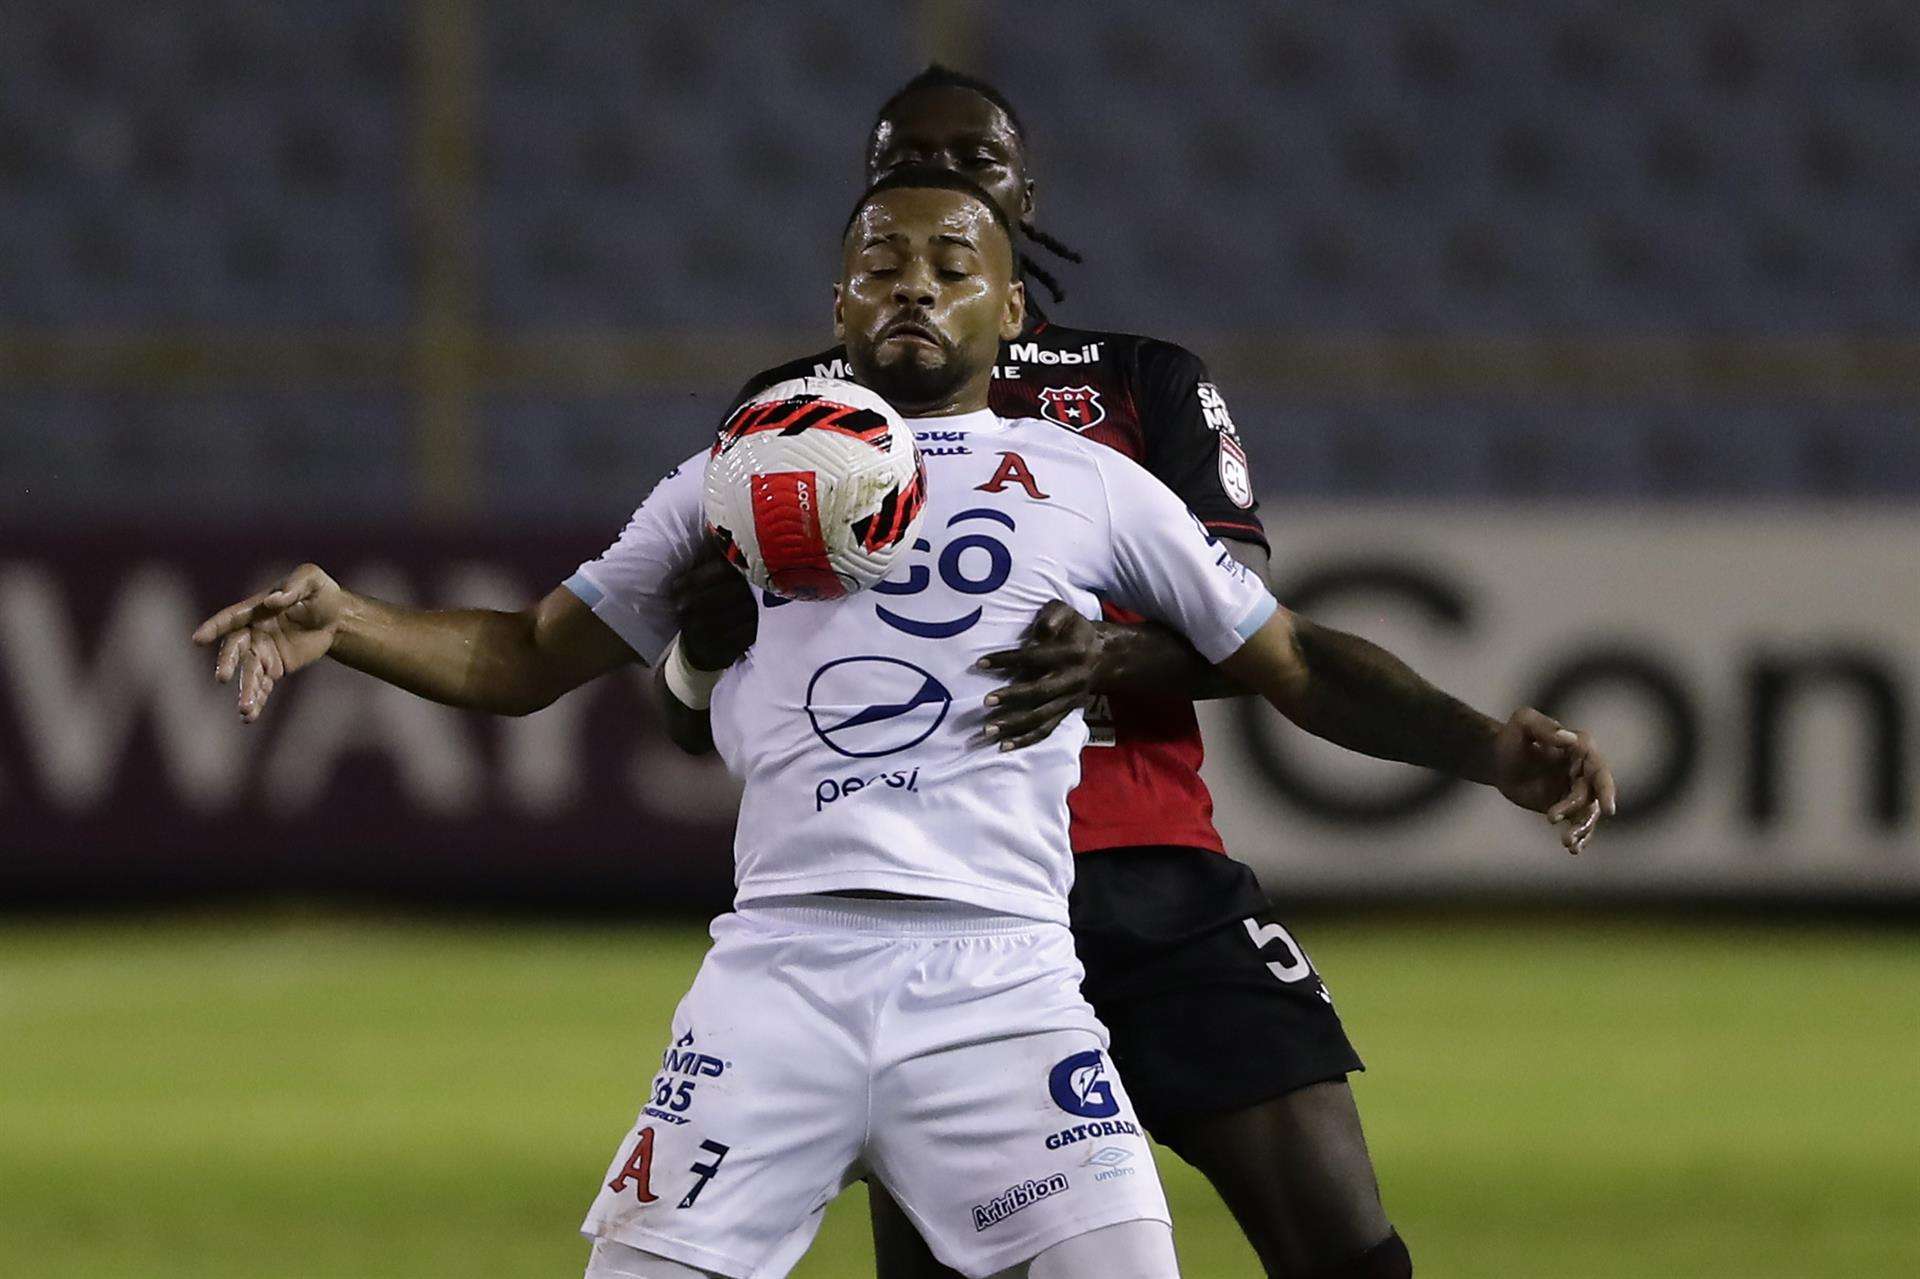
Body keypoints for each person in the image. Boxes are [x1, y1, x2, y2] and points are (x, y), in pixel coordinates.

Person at [194, 172, 1609, 1278]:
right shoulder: (733, 475)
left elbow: (1291, 660)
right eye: (882, 264)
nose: (913, 286)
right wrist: (354, 622)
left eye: (950, 266)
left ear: (1010, 312)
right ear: (840, 301)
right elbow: (523, 656)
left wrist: (1486, 744)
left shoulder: (1092, 483)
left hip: (1003, 983)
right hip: (776, 976)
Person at [659, 67, 1613, 1279]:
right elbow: (702, 695)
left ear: (1023, 209)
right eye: (913, 163)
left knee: (1346, 1245)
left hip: (1145, 867)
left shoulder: (1139, 383)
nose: (946, 183)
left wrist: (1477, 743)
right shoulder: (794, 418)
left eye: (978, 165)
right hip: (921, 906)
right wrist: (697, 651)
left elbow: (1261, 637)